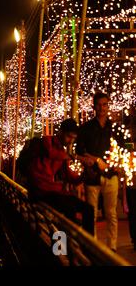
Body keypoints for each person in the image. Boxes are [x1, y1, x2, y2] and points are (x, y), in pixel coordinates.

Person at [27, 118, 95, 234]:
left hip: (50, 190)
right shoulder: (47, 141)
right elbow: (51, 153)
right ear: (60, 132)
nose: (70, 141)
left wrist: (84, 175)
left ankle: (87, 247)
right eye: (69, 137)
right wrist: (77, 157)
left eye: (73, 139)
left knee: (88, 209)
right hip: (39, 189)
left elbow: (68, 176)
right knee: (68, 211)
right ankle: (61, 246)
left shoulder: (63, 153)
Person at [76, 92, 120, 251]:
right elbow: (79, 151)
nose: (102, 108)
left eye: (105, 104)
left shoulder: (114, 128)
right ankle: (93, 247)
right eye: (99, 104)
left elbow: (122, 149)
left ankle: (112, 248)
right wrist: (95, 160)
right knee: (91, 215)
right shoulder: (86, 128)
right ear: (94, 106)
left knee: (111, 214)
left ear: (108, 106)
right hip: (92, 177)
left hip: (111, 175)